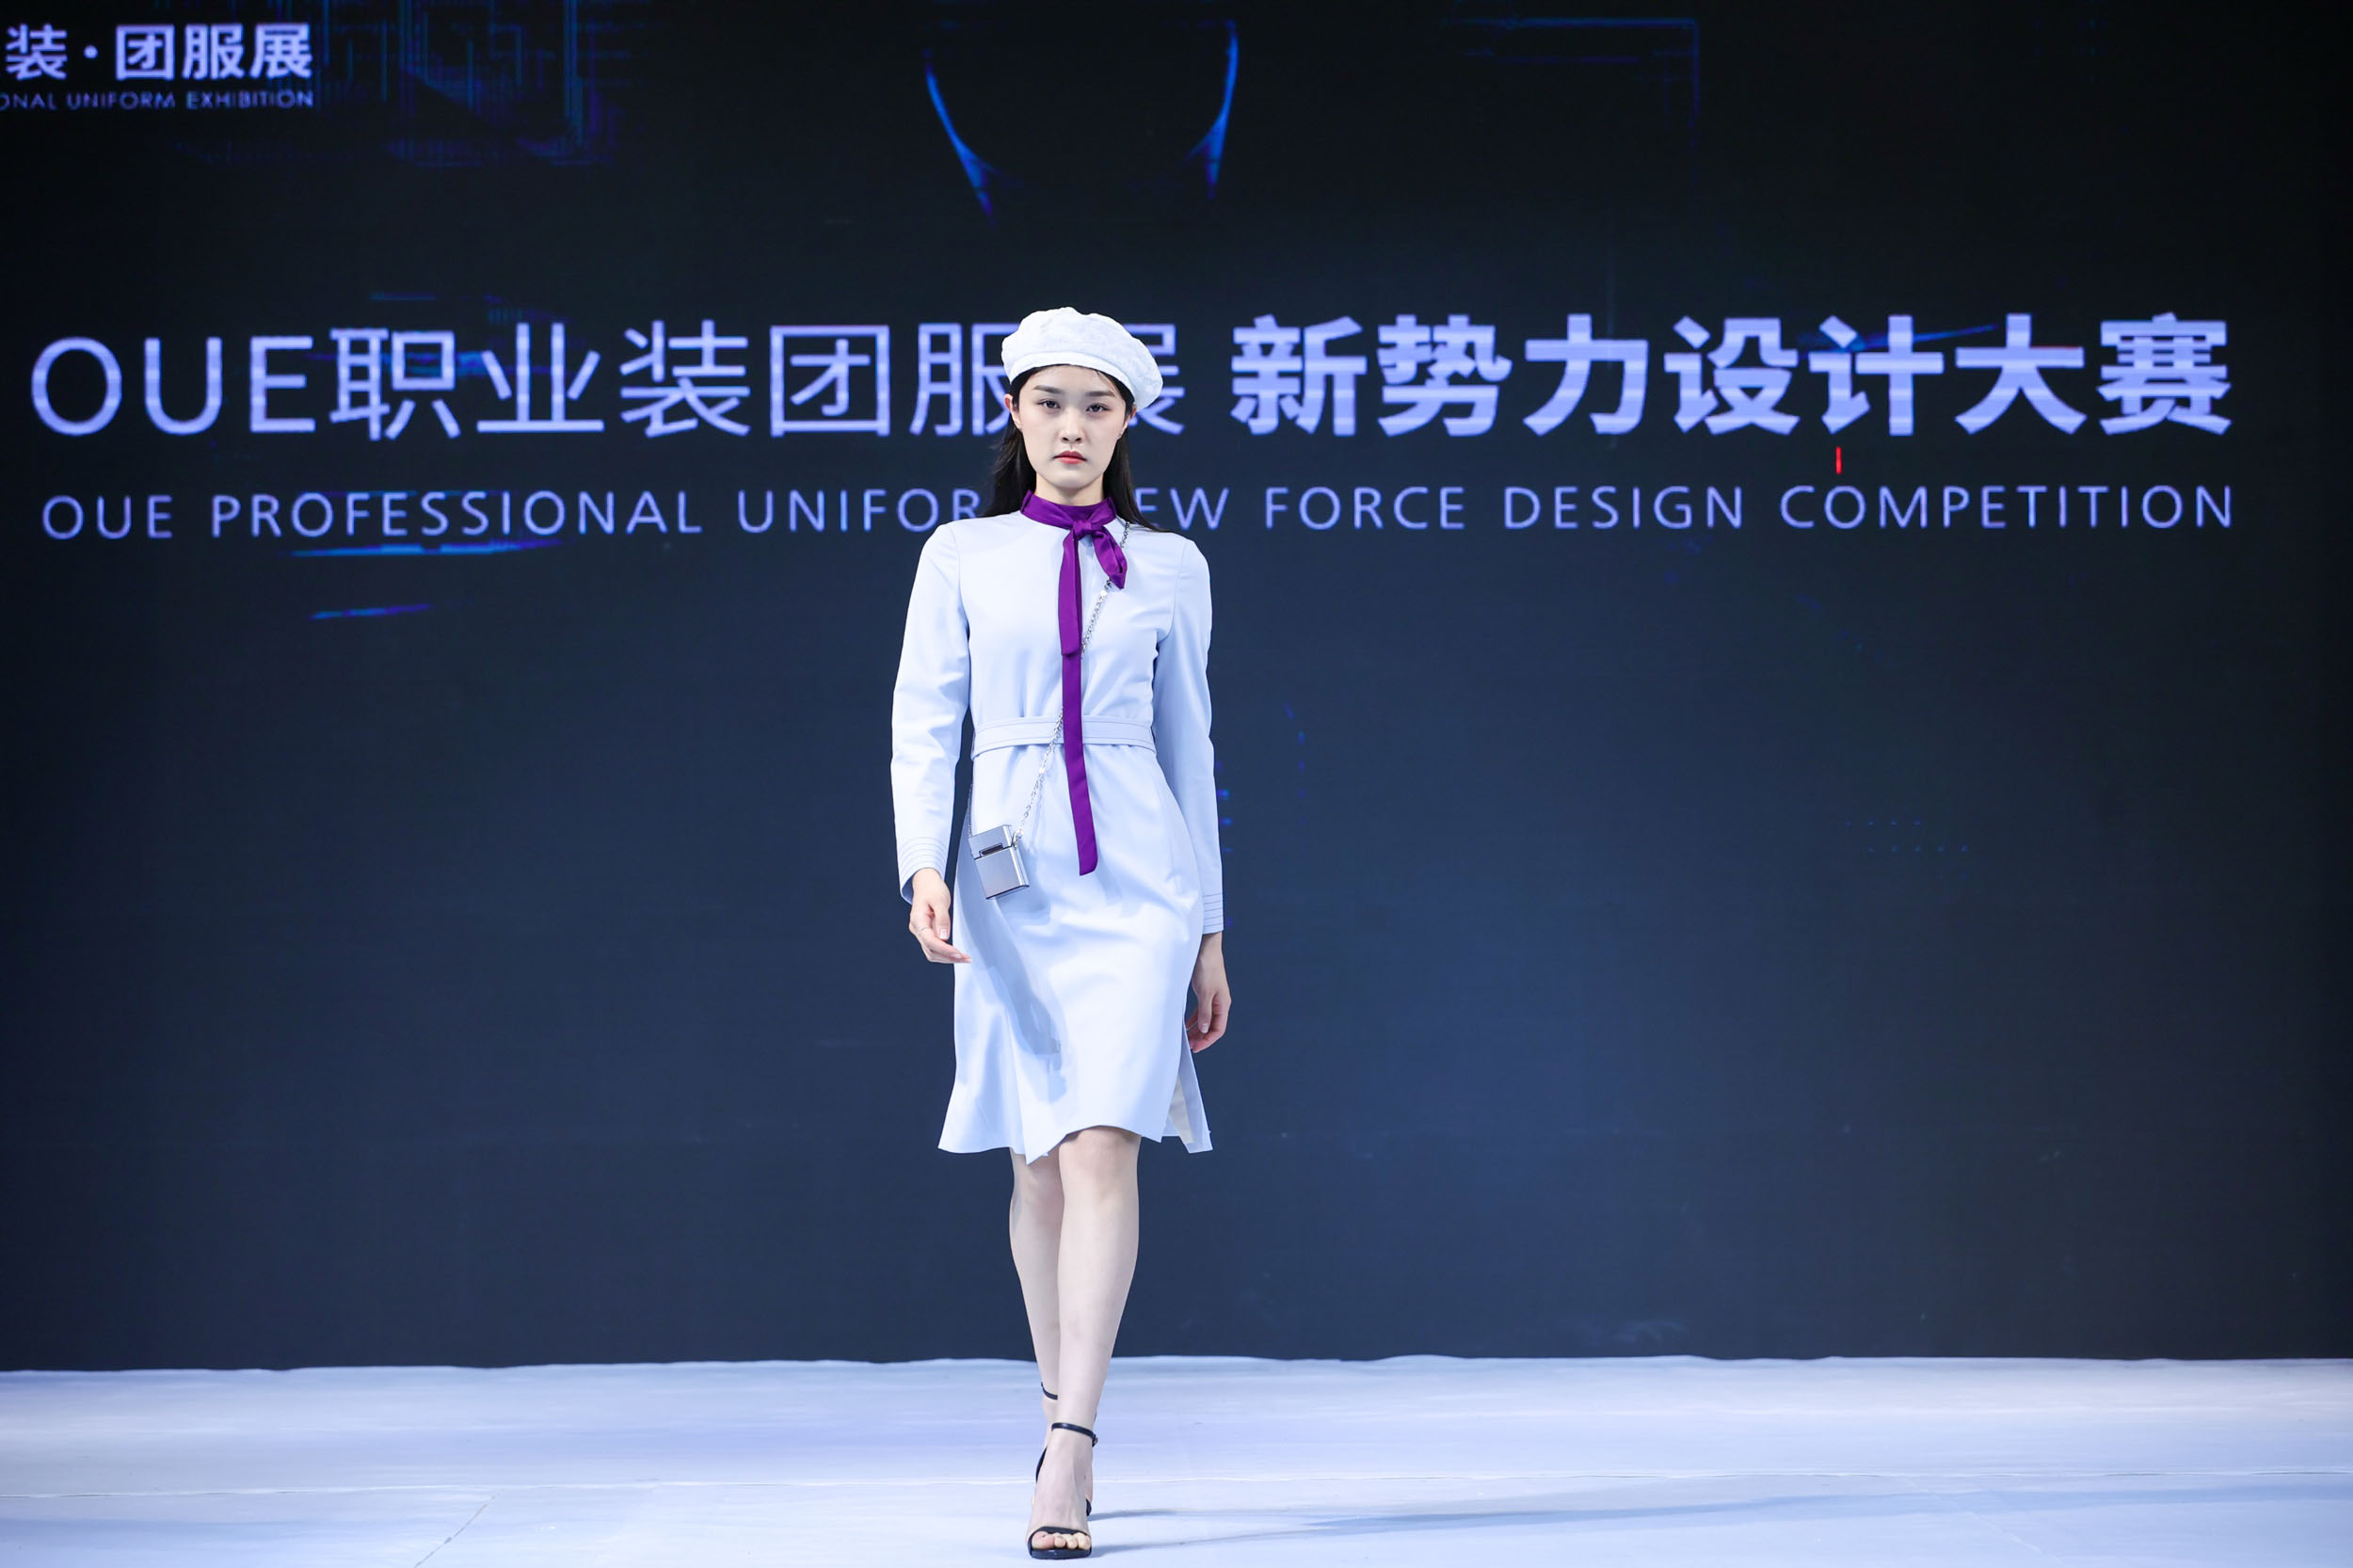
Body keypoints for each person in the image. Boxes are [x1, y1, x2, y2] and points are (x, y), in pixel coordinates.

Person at [889, 307, 1231, 1560]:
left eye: (1097, 406)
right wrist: (921, 864)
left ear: (1126, 422)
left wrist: (1209, 928)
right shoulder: (962, 554)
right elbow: (925, 717)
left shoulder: (1172, 563)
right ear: (1016, 415)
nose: (1072, 427)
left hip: (1141, 876)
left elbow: (1192, 746)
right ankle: (1054, 1411)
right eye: (1051, 403)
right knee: (1035, 1159)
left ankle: (1073, 1446)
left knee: (1102, 1146)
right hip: (1012, 872)